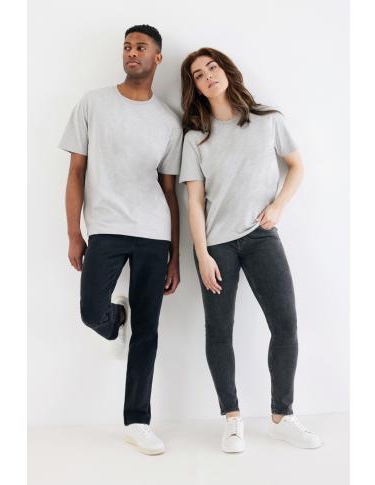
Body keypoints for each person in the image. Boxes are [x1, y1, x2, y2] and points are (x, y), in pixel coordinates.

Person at [179, 47, 322, 453]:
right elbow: (194, 201)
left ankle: (282, 417)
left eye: (212, 67)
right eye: (198, 74)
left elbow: (296, 166)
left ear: (226, 71)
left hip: (261, 237)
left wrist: (278, 206)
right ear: (196, 87)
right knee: (219, 331)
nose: (208, 76)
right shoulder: (195, 138)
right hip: (216, 245)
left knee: (285, 324)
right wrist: (202, 254)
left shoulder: (268, 121)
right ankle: (232, 419)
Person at [59, 24, 182, 456]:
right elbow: (76, 172)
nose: (132, 52)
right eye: (127, 46)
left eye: (141, 47)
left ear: (157, 57)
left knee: (148, 331)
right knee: (91, 311)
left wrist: (175, 256)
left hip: (153, 231)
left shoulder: (168, 120)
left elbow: (170, 192)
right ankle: (116, 319)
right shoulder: (93, 103)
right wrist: (74, 233)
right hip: (106, 227)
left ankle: (137, 421)